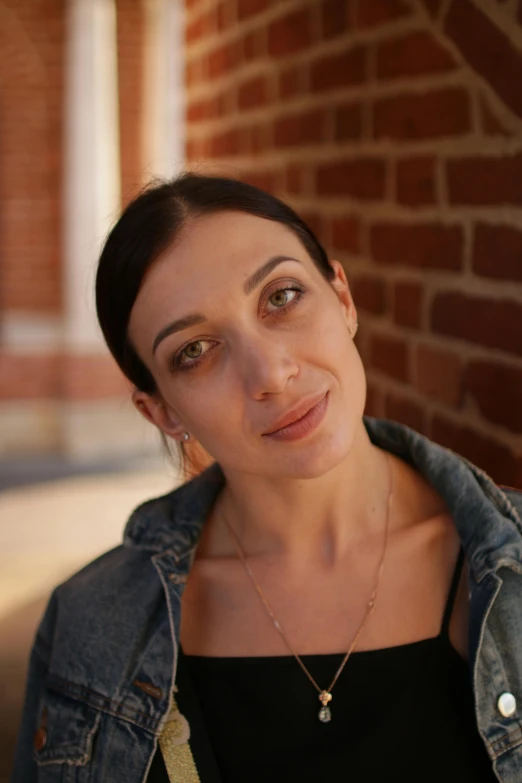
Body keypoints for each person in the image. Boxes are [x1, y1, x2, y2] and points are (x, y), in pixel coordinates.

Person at [11, 174, 522, 783]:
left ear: (343, 299)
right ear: (164, 411)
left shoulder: (504, 569)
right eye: (195, 351)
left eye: (281, 297)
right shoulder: (88, 623)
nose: (271, 374)